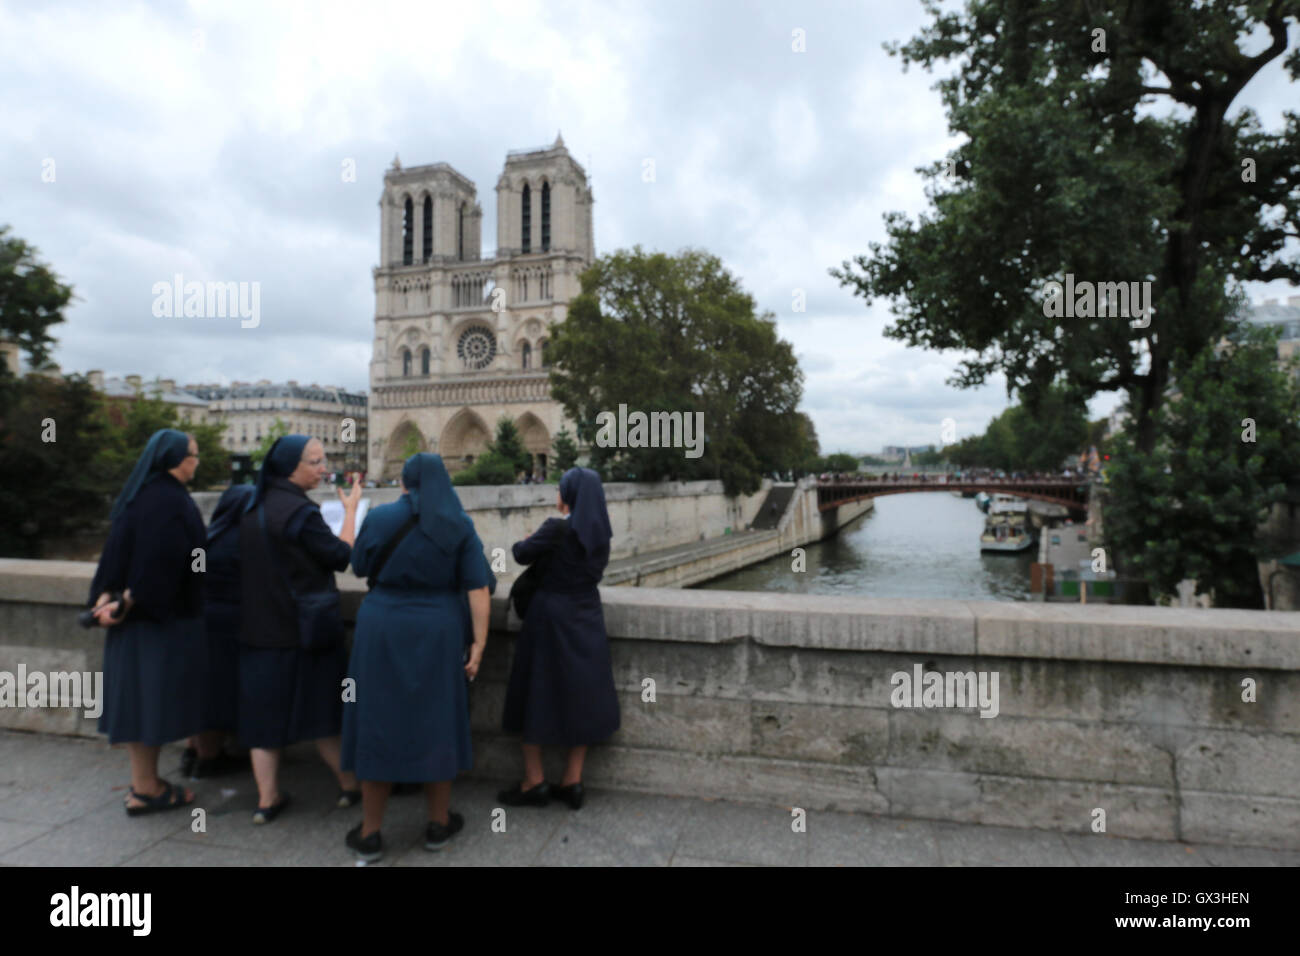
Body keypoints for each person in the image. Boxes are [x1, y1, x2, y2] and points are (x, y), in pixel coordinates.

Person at [340, 453, 492, 862]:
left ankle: (370, 833)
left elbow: (357, 565)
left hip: (382, 627)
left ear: (403, 483)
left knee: (377, 719)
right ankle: (438, 825)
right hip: (438, 630)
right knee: (436, 720)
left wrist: (351, 513)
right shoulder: (457, 523)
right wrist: (478, 643)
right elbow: (478, 588)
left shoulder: (382, 518)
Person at [237, 435, 361, 824]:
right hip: (304, 631)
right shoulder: (301, 514)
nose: (324, 469)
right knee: (323, 714)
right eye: (315, 462)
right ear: (291, 466)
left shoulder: (252, 507)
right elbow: (343, 557)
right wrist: (351, 512)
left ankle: (266, 800)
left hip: (259, 631)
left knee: (264, 722)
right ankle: (349, 787)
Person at [88, 429, 206, 815]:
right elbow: (162, 564)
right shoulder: (170, 501)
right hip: (156, 622)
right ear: (177, 459)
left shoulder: (138, 496)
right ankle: (146, 789)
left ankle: (145, 783)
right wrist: (128, 601)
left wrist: (106, 598)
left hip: (132, 622)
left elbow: (116, 555)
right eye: (194, 454)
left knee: (137, 707)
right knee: (149, 707)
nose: (197, 460)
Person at [499, 467, 619, 810]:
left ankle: (533, 781)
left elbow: (521, 553)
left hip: (549, 619)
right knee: (582, 696)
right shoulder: (602, 535)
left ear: (569, 495)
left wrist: (527, 537)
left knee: (534, 694)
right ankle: (573, 780)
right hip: (586, 615)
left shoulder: (556, 528)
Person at [181, 483, 256, 779]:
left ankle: (194, 752)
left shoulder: (208, 538)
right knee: (221, 694)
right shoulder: (244, 541)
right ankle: (210, 759)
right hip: (230, 624)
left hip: (202, 620)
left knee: (205, 693)